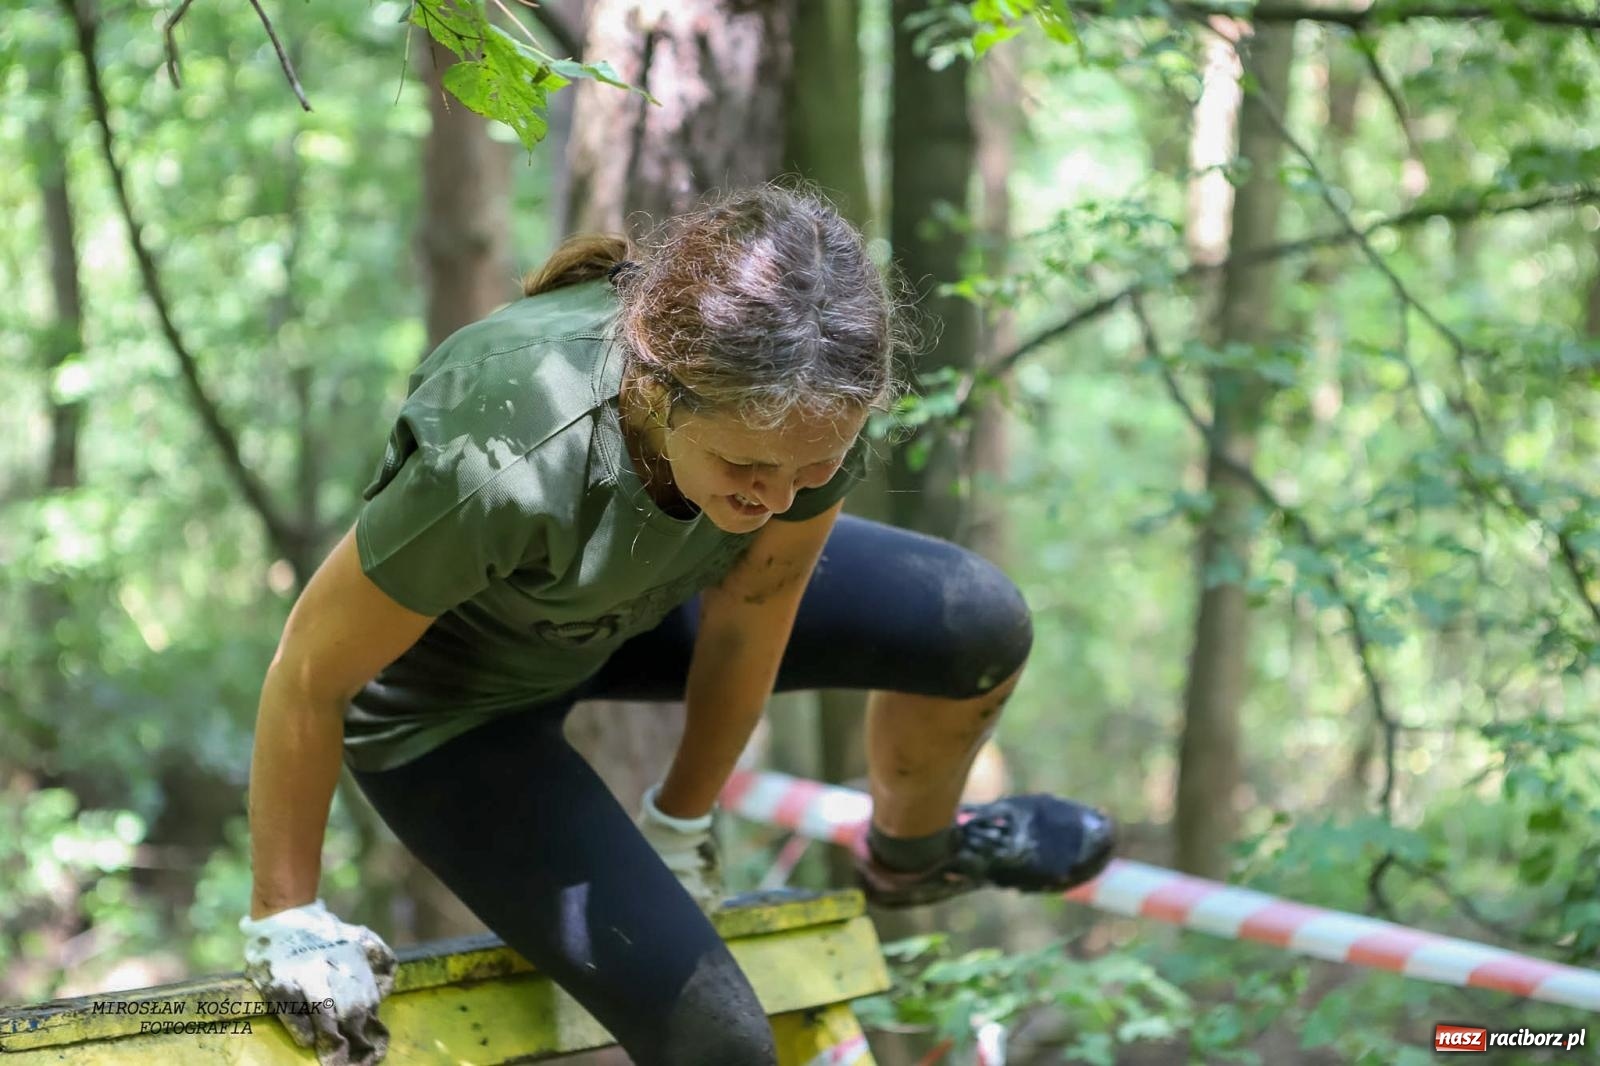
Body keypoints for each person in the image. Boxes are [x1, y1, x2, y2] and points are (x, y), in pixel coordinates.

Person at [239, 185, 1116, 1066]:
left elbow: (759, 606)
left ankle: (914, 857)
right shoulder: (502, 451)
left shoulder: (809, 413)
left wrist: (683, 821)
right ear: (660, 393)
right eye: (748, 465)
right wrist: (288, 918)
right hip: (451, 714)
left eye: (814, 471)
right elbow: (309, 676)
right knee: (720, 1048)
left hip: (634, 610)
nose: (779, 500)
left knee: (976, 623)